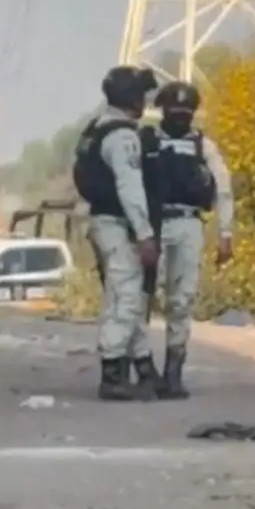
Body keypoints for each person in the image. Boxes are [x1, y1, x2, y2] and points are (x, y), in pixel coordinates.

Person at [137, 81, 235, 399]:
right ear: (162, 110)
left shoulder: (202, 145)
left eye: (186, 113)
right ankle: (143, 367)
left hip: (188, 224)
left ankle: (173, 372)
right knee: (143, 299)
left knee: (181, 301)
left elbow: (222, 187)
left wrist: (226, 233)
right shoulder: (147, 141)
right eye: (174, 112)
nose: (180, 118)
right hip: (153, 225)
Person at [71, 65, 161, 402]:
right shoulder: (123, 137)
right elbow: (130, 189)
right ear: (132, 97)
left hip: (102, 223)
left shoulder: (97, 127)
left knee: (124, 295)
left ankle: (142, 367)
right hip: (118, 224)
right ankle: (113, 373)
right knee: (125, 298)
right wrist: (145, 234)